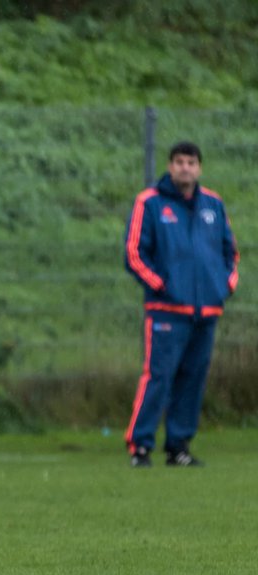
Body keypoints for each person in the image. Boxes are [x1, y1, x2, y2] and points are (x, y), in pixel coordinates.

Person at [123, 141, 239, 467]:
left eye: (190, 162)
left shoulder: (213, 204)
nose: (185, 167)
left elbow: (230, 251)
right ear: (170, 166)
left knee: (193, 379)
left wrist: (224, 286)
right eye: (179, 162)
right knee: (158, 376)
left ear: (199, 168)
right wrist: (162, 286)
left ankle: (178, 446)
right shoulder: (150, 203)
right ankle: (140, 446)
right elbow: (134, 253)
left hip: (206, 310)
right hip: (166, 311)